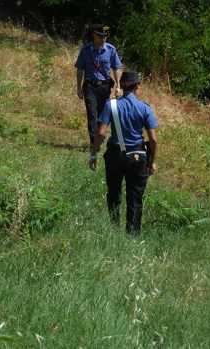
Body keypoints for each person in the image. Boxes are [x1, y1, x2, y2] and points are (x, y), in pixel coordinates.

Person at [88, 71, 158, 235]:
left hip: (115, 155)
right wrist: (152, 161)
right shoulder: (145, 108)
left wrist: (94, 154)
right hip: (138, 156)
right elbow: (153, 140)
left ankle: (113, 229)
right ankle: (132, 235)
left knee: (114, 193)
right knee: (135, 198)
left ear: (122, 86)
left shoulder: (110, 106)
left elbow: (100, 133)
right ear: (137, 86)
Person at [75, 24, 123, 145]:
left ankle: (99, 138)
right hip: (90, 86)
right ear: (94, 35)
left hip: (105, 87)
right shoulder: (85, 50)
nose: (103, 39)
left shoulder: (111, 50)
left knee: (102, 115)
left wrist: (118, 85)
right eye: (100, 36)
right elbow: (80, 69)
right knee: (92, 114)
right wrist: (79, 88)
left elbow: (117, 67)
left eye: (105, 36)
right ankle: (93, 143)